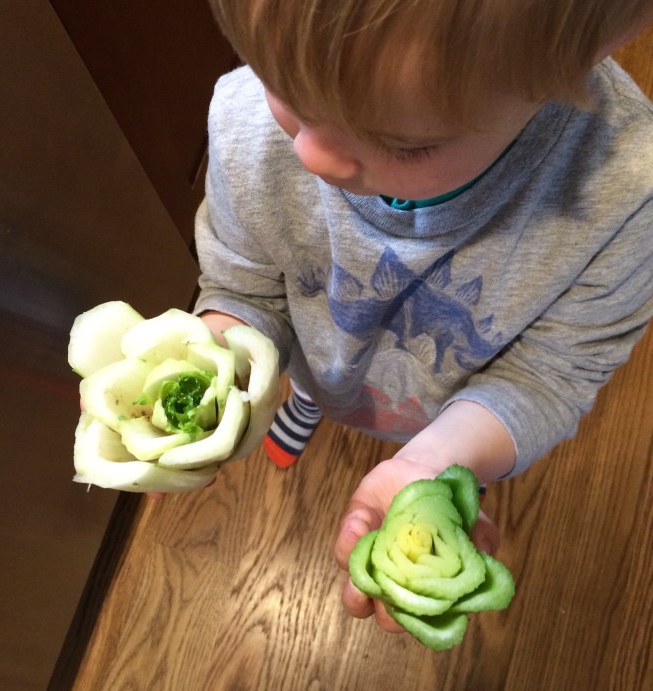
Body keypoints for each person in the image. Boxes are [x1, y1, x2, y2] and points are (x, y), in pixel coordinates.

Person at [185, 0, 653, 633]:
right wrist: (213, 357)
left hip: (452, 402)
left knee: (450, 450)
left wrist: (438, 464)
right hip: (322, 355)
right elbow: (245, 281)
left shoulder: (627, 196)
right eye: (283, 90)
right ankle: (309, 403)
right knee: (317, 380)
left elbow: (548, 375)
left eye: (404, 145)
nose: (314, 155)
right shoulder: (243, 123)